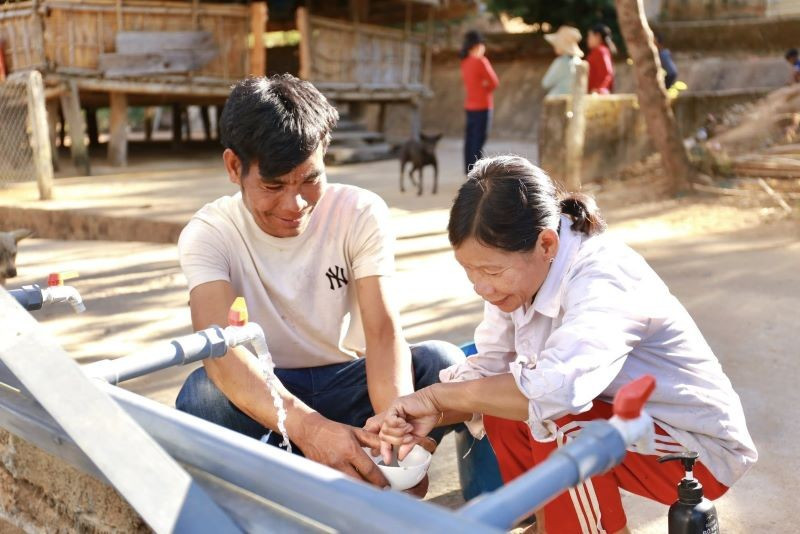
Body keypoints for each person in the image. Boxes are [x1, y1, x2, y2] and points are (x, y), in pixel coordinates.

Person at [371, 156, 757, 533]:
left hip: (694, 448)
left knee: (556, 417)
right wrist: (424, 416)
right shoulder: (518, 282)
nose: (482, 288)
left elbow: (560, 389)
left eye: (491, 271)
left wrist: (438, 398)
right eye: (469, 271)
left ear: (547, 243)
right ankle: (549, 523)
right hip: (622, 425)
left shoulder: (603, 277)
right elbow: (489, 368)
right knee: (502, 406)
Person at [175, 75, 465, 491]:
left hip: (347, 380)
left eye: (310, 179)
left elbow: (383, 333)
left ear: (324, 154)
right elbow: (220, 352)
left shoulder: (360, 212)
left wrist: (395, 431)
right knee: (202, 396)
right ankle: (309, 461)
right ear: (234, 167)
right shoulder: (209, 232)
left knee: (443, 364)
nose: (294, 205)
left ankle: (346, 461)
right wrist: (312, 431)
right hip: (267, 389)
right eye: (273, 185)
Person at [460, 30, 499, 175]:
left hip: (469, 105)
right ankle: (476, 172)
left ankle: (468, 170)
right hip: (483, 105)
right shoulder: (481, 61)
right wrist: (485, 86)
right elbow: (494, 83)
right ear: (477, 46)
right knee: (479, 140)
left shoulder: (464, 62)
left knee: (469, 140)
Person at [541, 26, 584, 97]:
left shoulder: (561, 62)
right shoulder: (579, 61)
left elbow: (546, 83)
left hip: (557, 102)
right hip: (573, 100)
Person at [586, 23, 616, 94]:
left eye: (590, 36)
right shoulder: (599, 51)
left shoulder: (600, 51)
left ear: (598, 36)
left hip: (598, 93)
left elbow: (607, 72)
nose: (588, 39)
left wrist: (599, 89)